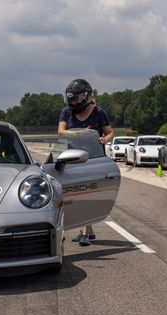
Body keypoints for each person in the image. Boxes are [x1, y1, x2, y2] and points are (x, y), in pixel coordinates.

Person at [58, 79, 114, 246]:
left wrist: (105, 139)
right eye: (71, 98)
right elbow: (61, 132)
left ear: (85, 96)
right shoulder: (66, 112)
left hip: (93, 159)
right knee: (74, 195)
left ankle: (84, 232)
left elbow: (110, 132)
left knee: (87, 194)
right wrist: (79, 134)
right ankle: (88, 230)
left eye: (76, 98)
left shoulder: (99, 112)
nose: (73, 102)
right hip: (72, 158)